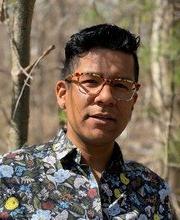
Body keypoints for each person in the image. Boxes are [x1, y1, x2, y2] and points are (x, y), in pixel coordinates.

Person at [0, 24, 173, 219]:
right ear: (62, 94)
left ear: (133, 100)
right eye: (91, 81)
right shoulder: (11, 176)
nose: (106, 97)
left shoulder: (151, 190)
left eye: (120, 85)